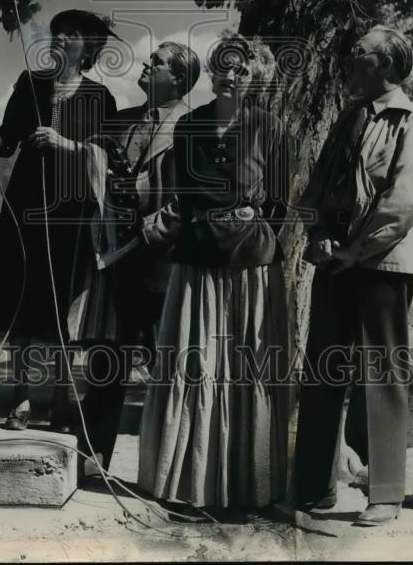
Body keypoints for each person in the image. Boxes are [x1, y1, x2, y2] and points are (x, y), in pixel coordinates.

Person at [294, 26, 413, 527]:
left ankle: (386, 496)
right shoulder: (347, 119)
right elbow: (316, 187)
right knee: (322, 372)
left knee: (384, 376)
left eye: (359, 52)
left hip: (384, 264)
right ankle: (314, 489)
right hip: (336, 260)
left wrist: (356, 250)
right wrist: (317, 235)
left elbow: (403, 202)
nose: (349, 58)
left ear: (386, 64)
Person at [138, 31, 290, 510]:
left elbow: (280, 204)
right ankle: (186, 486)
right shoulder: (188, 129)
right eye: (223, 66)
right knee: (195, 367)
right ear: (210, 71)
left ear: (255, 77)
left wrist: (251, 227)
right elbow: (181, 198)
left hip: (252, 269)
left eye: (241, 69)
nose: (230, 76)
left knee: (247, 369)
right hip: (197, 262)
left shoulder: (273, 129)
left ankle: (250, 487)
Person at [0, 10, 117, 430]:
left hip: (71, 213)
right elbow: (7, 142)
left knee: (60, 302)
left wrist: (64, 142)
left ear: (87, 47)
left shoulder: (99, 97)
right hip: (25, 205)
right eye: (56, 32)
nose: (58, 38)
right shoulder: (30, 83)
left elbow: (105, 158)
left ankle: (59, 399)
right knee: (20, 296)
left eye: (70, 34)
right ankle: (19, 399)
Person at [69, 41, 200, 481]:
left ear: (179, 78)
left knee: (170, 368)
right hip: (119, 260)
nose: (147, 65)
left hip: (166, 263)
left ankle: (168, 473)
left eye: (158, 62)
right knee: (107, 359)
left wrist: (149, 234)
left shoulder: (192, 126)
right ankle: (90, 459)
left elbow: (188, 198)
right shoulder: (124, 122)